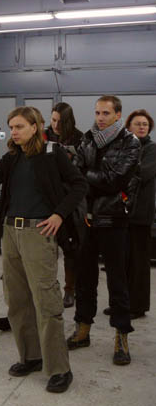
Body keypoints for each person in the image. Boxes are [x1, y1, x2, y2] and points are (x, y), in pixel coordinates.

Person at [0, 106, 87, 393]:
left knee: (46, 301)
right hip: (10, 232)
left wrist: (59, 215)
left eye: (19, 127)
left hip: (38, 233)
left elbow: (79, 185)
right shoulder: (12, 156)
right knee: (17, 300)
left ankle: (59, 368)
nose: (13, 132)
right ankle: (31, 357)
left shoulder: (53, 153)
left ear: (35, 127)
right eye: (11, 127)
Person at [67, 95, 141, 366]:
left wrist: (85, 173)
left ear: (118, 114)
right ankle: (82, 330)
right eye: (97, 112)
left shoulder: (130, 142)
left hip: (113, 219)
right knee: (84, 280)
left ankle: (121, 337)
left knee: (117, 282)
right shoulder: (88, 139)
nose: (100, 117)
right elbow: (73, 175)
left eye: (106, 113)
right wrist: (86, 175)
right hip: (86, 219)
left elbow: (114, 181)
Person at [46, 103, 84, 308]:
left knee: (71, 249)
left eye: (60, 121)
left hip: (70, 201)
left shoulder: (80, 138)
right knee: (46, 248)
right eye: (53, 120)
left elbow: (81, 174)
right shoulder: (44, 135)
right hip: (47, 199)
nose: (55, 125)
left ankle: (70, 290)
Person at [123, 109, 155, 319]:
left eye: (145, 124)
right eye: (138, 123)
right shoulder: (125, 147)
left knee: (139, 263)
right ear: (129, 127)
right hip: (123, 213)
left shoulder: (152, 149)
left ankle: (138, 306)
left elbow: (143, 173)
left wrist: (122, 171)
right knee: (124, 262)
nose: (142, 127)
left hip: (141, 214)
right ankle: (123, 304)